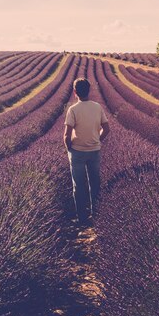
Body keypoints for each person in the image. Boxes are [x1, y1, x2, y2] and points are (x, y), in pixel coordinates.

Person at [64, 78, 110, 225]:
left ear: (75, 92)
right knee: (95, 183)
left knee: (78, 185)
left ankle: (82, 218)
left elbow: (66, 135)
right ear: (89, 91)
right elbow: (107, 129)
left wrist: (69, 149)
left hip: (77, 152)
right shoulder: (97, 107)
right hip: (94, 151)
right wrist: (97, 140)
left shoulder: (73, 109)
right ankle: (96, 215)